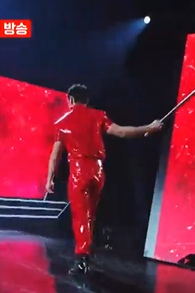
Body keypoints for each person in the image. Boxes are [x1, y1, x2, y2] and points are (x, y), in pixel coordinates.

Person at [45, 84, 162, 274]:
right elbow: (121, 132)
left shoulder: (62, 122)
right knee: (90, 213)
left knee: (80, 215)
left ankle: (82, 257)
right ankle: (89, 250)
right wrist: (148, 128)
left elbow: (55, 155)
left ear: (70, 100)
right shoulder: (98, 115)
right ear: (86, 100)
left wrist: (50, 178)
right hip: (98, 171)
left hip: (79, 171)